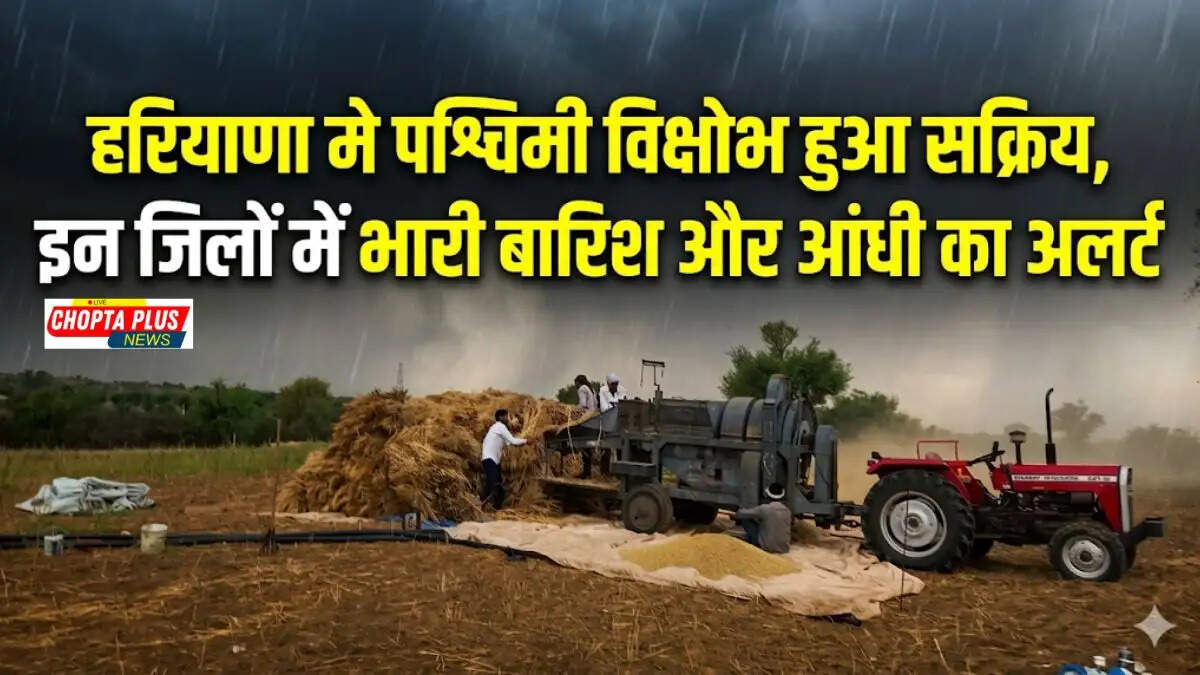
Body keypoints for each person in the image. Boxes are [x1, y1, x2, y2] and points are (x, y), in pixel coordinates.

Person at [480, 409, 526, 510]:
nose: (508, 419)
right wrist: (527, 440)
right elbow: (513, 441)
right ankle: (480, 505)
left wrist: (523, 441)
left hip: (494, 461)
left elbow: (510, 443)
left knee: (499, 485)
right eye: (506, 416)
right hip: (489, 459)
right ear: (500, 417)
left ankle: (497, 508)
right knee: (491, 482)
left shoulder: (498, 429)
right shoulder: (499, 426)